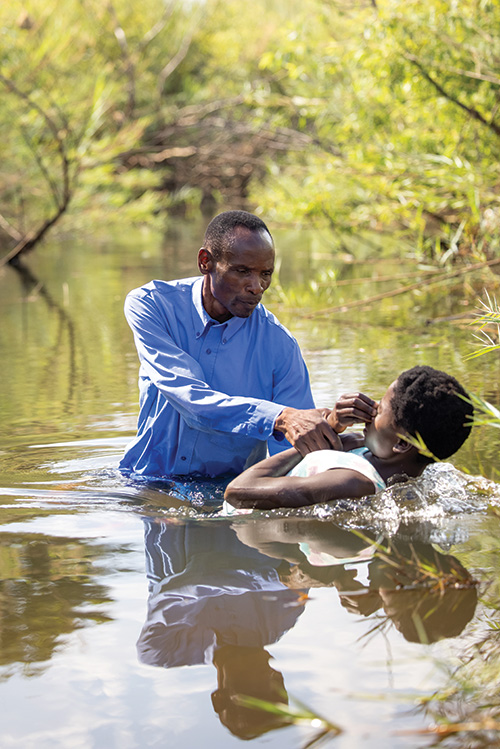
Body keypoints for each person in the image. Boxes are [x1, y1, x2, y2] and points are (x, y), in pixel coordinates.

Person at [120, 210, 374, 478]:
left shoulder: (280, 346)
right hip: (145, 481)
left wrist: (331, 424)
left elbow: (294, 453)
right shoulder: (152, 306)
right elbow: (189, 399)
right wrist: (279, 417)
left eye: (266, 273)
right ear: (206, 262)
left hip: (225, 494)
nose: (257, 287)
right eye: (242, 271)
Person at [224, 365, 474, 510]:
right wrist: (331, 427)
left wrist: (311, 445)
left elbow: (236, 492)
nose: (371, 408)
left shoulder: (351, 483)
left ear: (401, 443)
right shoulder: (365, 451)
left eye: (380, 408)